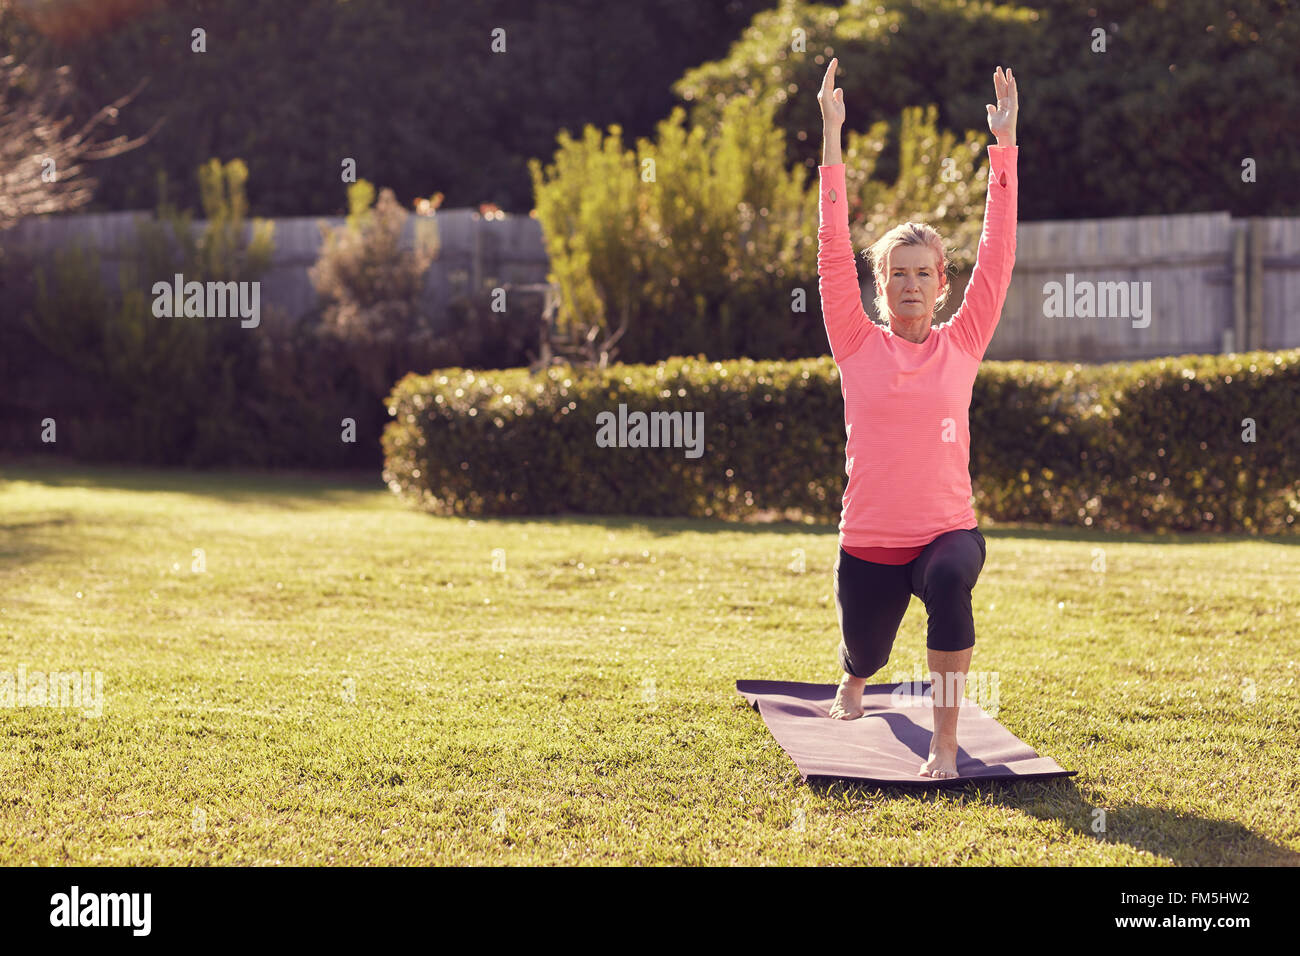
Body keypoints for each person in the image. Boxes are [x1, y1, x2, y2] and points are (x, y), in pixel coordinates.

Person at [815, 58, 1019, 779]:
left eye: (922, 272)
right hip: (868, 539)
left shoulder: (962, 342)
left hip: (944, 531)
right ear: (879, 285)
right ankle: (855, 677)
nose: (908, 283)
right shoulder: (854, 339)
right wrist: (832, 137)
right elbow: (832, 246)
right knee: (864, 649)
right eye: (896, 272)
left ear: (941, 284)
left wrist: (1004, 150)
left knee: (953, 582)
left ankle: (944, 742)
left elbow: (997, 257)